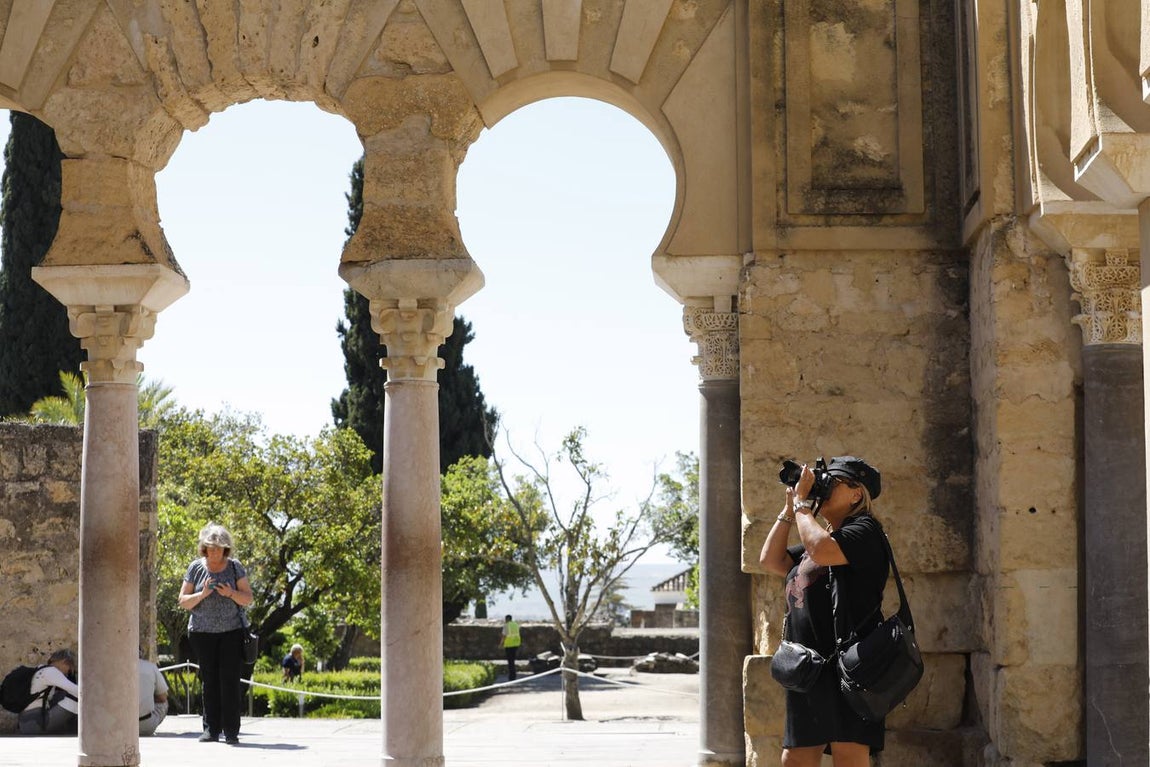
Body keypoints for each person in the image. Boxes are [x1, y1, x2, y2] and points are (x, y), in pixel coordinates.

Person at [758, 456, 889, 767]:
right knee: (796, 758)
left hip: (850, 668)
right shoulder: (818, 537)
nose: (824, 487)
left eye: (835, 481)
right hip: (808, 669)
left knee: (849, 755)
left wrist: (804, 505)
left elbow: (823, 550)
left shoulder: (865, 530)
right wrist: (790, 509)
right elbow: (771, 561)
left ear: (857, 493)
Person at [178, 522, 253, 745]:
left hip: (231, 632)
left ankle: (231, 731)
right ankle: (210, 729)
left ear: (225, 550)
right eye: (210, 548)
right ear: (204, 548)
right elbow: (183, 601)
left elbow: (248, 598)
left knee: (229, 681)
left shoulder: (235, 567)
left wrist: (230, 593)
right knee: (209, 680)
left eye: (219, 548)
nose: (214, 552)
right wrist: (203, 593)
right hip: (202, 633)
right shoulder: (195, 568)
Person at [16, 649, 78, 735]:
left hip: (25, 723)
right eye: (70, 668)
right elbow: (78, 691)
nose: (68, 672)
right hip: (35, 724)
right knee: (76, 699)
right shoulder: (52, 672)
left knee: (61, 694)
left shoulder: (40, 669)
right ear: (64, 662)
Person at [137, 657, 169, 736]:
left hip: (121, 725)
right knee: (164, 703)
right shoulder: (150, 667)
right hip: (146, 725)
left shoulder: (117, 666)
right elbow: (163, 697)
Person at [501, 615, 521, 681]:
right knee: (513, 660)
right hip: (516, 644)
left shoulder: (506, 625)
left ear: (507, 619)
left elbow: (504, 636)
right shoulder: (515, 624)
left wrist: (501, 644)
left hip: (509, 645)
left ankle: (511, 677)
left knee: (510, 662)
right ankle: (513, 675)